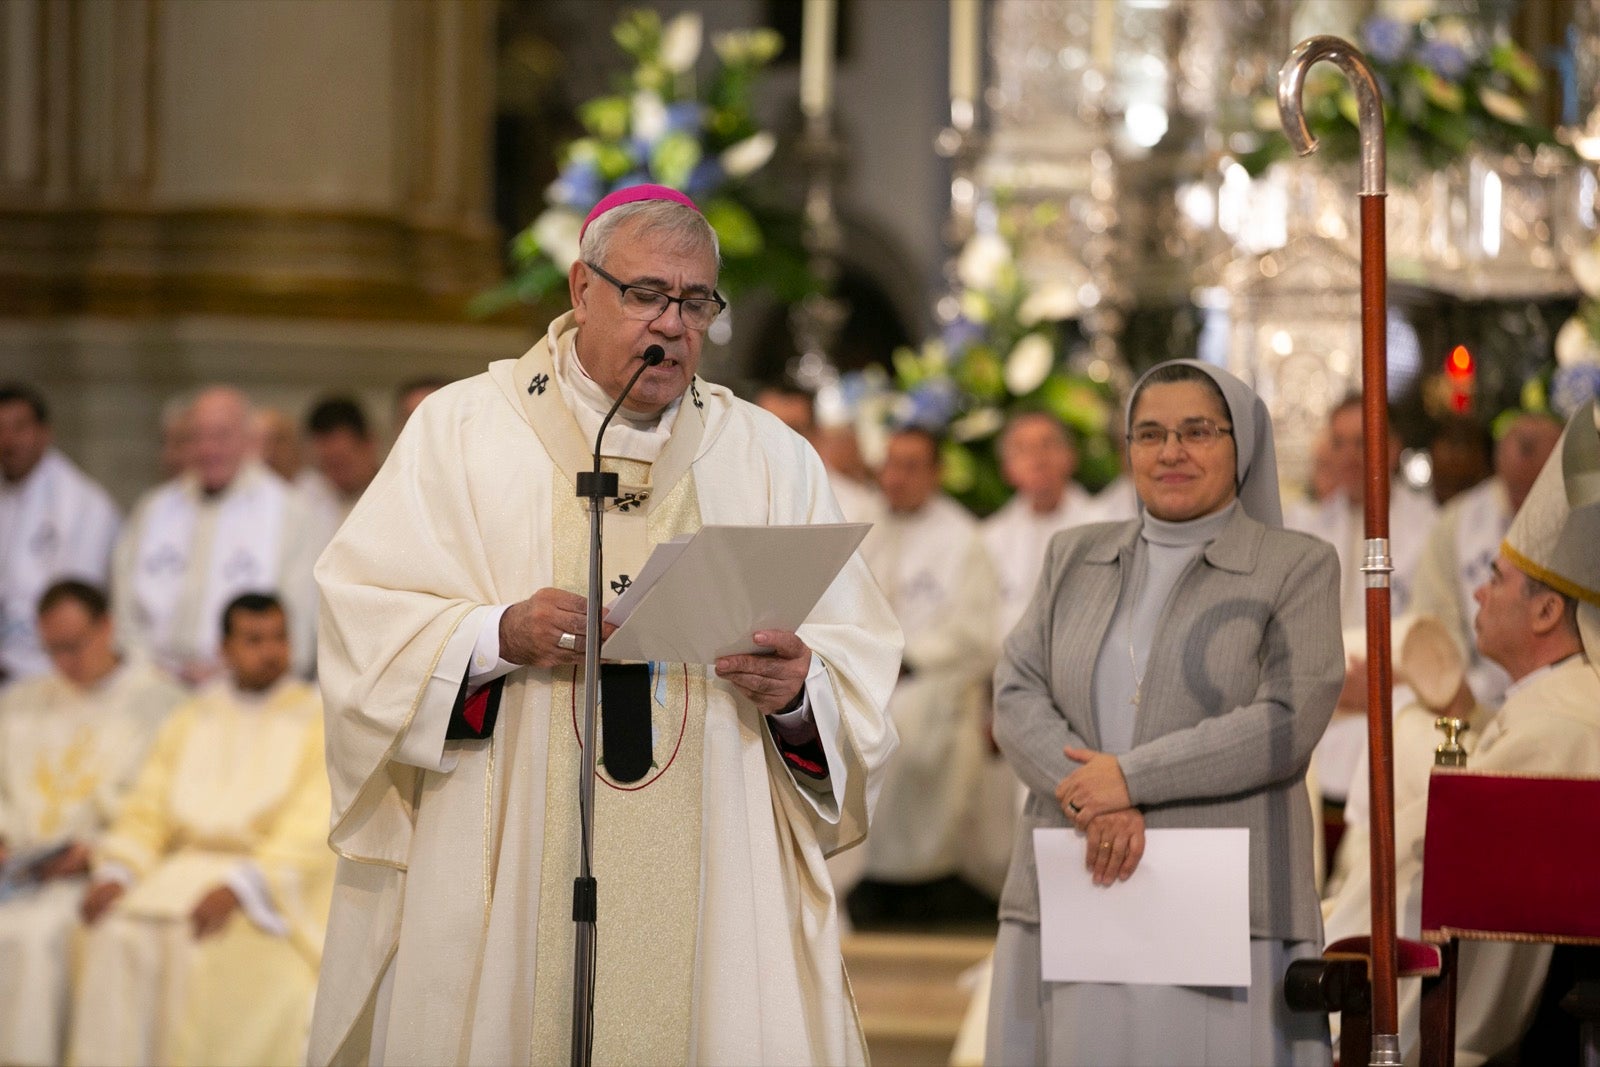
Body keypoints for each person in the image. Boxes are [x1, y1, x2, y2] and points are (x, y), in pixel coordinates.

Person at [307, 185, 901, 1066]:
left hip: (715, 867)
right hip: (511, 860)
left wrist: (797, 691)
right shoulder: (464, 430)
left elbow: (853, 662)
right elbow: (365, 619)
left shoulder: (769, 456)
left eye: (697, 302)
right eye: (647, 294)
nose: (674, 323)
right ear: (582, 289)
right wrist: (495, 634)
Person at [987, 360, 1343, 1065]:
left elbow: (1286, 721)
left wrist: (1131, 778)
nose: (1171, 451)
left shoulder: (1296, 565)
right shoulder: (1074, 555)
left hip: (1223, 903)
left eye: (1197, 431)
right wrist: (1097, 799)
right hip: (1076, 882)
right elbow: (1017, 690)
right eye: (1150, 433)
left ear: (1241, 444)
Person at [1323, 401, 1600, 1064]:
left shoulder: (1559, 721)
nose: (1478, 593)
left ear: (1545, 608)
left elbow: (1458, 860)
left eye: (1496, 580)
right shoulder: (1555, 701)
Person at [68, 592, 333, 1067]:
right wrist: (119, 873)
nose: (270, 651)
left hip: (259, 886)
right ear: (225, 649)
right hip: (175, 874)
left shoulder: (317, 718)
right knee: (112, 934)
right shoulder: (193, 715)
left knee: (210, 952)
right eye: (253, 640)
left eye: (278, 638)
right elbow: (147, 807)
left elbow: (314, 824)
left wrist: (242, 887)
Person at [0, 581, 182, 1067]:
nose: (63, 662)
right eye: (51, 649)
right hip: (17, 872)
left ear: (107, 626)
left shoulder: (160, 703)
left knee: (34, 938)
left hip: (90, 876)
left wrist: (98, 852)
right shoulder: (21, 701)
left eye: (74, 645)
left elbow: (161, 809)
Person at [850, 426, 999, 918]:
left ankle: (924, 887)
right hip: (866, 677)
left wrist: (906, 657)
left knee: (912, 745)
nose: (896, 477)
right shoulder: (864, 526)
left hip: (929, 683)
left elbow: (975, 634)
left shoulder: (962, 539)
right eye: (890, 464)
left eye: (912, 465)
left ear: (935, 473)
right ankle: (864, 881)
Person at [1285, 394, 1437, 809]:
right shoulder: (1306, 526)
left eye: (1362, 442)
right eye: (1339, 443)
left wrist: (1381, 679)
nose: (1351, 456)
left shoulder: (1428, 528)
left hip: (1398, 690)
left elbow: (1436, 629)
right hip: (1325, 694)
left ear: (1390, 449)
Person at [112, 385, 323, 683]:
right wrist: (150, 671)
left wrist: (229, 676)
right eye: (197, 437)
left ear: (249, 440)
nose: (208, 449)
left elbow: (300, 628)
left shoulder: (292, 514)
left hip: (247, 693)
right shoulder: (153, 509)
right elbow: (125, 616)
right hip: (154, 685)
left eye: (221, 436)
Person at [1407, 410, 1562, 709]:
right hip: (1472, 698)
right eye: (1516, 489)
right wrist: (1457, 688)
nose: (1525, 502)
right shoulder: (1457, 523)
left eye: (1536, 487)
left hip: (1558, 695)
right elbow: (1434, 616)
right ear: (1499, 465)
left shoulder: (1581, 523)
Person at [0, 382, 121, 682]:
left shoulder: (83, 505)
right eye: (0, 429)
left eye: (19, 427)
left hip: (48, 668)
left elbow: (77, 609)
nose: (8, 440)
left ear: (44, 433)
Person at [301, 395, 381, 527]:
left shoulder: (400, 496)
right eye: (327, 464)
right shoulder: (306, 500)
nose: (336, 474)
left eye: (342, 462)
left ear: (369, 444)